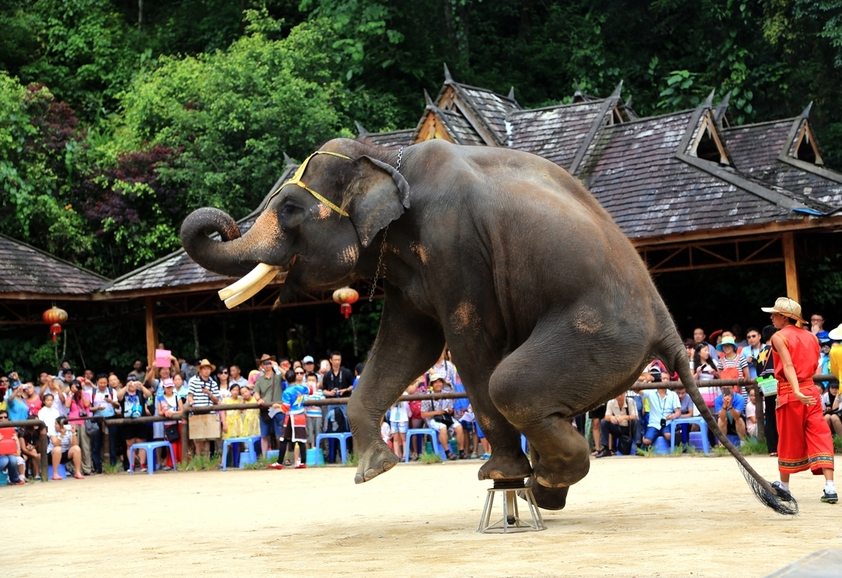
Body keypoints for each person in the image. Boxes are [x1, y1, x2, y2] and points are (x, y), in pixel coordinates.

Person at [761, 297, 836, 504]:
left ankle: (784, 486)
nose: (772, 317)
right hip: (811, 390)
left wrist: (795, 390)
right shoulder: (811, 337)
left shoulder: (778, 337)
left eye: (775, 314)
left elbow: (788, 366)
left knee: (787, 437)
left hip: (790, 392)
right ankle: (830, 487)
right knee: (820, 434)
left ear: (784, 317)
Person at [420, 372, 464, 460]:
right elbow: (423, 414)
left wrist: (450, 410)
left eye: (440, 382)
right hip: (433, 419)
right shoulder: (427, 396)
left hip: (446, 417)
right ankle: (447, 452)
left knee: (459, 427)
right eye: (435, 382)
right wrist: (437, 412)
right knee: (443, 427)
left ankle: (461, 451)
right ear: (432, 384)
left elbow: (450, 408)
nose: (438, 384)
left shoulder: (446, 393)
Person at [269, 381, 310, 469]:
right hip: (301, 415)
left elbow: (285, 408)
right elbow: (310, 390)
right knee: (301, 440)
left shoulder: (286, 392)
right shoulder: (302, 388)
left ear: (286, 380)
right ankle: (303, 462)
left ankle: (279, 462)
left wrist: (277, 406)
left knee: (284, 439)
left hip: (291, 417)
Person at [187, 359, 221, 459]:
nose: (206, 371)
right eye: (204, 369)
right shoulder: (193, 380)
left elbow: (216, 400)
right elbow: (190, 395)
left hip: (209, 412)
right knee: (198, 439)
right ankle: (199, 459)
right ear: (200, 370)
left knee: (208, 439)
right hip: (197, 412)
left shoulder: (213, 383)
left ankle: (206, 460)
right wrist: (191, 401)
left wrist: (209, 393)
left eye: (208, 369)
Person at [253, 354, 284, 458]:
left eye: (269, 362)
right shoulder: (259, 380)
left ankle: (283, 457)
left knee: (280, 435)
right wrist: (259, 399)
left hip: (278, 409)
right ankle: (264, 458)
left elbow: (287, 375)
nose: (267, 365)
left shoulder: (278, 376)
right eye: (264, 363)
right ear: (261, 365)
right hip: (265, 409)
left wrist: (277, 366)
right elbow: (256, 392)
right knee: (264, 435)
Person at [641, 376, 680, 448]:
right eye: (664, 378)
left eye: (667, 379)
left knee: (668, 435)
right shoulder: (651, 392)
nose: (665, 380)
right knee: (647, 441)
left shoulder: (673, 394)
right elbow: (637, 391)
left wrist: (673, 416)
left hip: (667, 422)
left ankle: (677, 447)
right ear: (659, 380)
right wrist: (646, 380)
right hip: (654, 423)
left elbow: (678, 412)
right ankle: (644, 441)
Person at [119, 377, 149, 471]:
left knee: (142, 443)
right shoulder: (124, 393)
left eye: (134, 383)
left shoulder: (140, 393)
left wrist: (141, 386)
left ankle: (142, 464)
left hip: (140, 420)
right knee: (129, 444)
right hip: (128, 421)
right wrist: (126, 386)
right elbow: (118, 396)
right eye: (130, 383)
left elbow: (148, 395)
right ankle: (131, 465)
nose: (132, 385)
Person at [595, 392, 638, 457]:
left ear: (625, 393)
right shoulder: (611, 402)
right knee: (604, 423)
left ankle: (639, 447)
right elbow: (606, 417)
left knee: (636, 422)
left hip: (629, 428)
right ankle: (606, 449)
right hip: (618, 428)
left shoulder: (630, 401)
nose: (619, 397)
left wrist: (624, 417)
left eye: (621, 394)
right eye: (617, 395)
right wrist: (611, 417)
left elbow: (635, 416)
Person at [91, 373, 120, 469]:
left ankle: (112, 464)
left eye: (104, 382)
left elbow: (117, 405)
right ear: (97, 382)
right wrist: (97, 408)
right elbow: (89, 407)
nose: (103, 384)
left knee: (113, 442)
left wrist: (111, 401)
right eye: (101, 383)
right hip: (97, 418)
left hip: (111, 417)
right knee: (96, 443)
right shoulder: (92, 392)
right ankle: (97, 466)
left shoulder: (112, 391)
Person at [159, 378, 184, 469]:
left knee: (180, 442)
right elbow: (159, 412)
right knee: (172, 443)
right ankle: (171, 463)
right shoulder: (160, 398)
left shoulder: (177, 397)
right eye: (167, 387)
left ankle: (181, 462)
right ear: (164, 388)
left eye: (170, 387)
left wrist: (173, 413)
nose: (169, 389)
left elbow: (182, 410)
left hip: (178, 422)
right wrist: (165, 413)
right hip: (168, 423)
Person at [0, 410, 25, 485]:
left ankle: (15, 480)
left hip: (9, 454)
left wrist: (16, 441)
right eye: (0, 417)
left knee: (13, 459)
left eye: (5, 417)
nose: (3, 419)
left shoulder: (11, 430)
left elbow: (18, 453)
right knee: (4, 460)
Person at [388, 385, 411, 458]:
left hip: (402, 418)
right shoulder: (390, 394)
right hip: (393, 418)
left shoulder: (405, 394)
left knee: (403, 438)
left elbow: (407, 402)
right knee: (395, 438)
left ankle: (405, 455)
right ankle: (396, 455)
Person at [304, 372, 324, 449]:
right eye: (309, 380)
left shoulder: (319, 392)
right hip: (308, 415)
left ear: (317, 382)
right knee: (310, 431)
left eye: (313, 380)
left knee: (318, 430)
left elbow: (323, 402)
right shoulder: (305, 393)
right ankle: (311, 448)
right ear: (306, 382)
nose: (311, 382)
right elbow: (303, 402)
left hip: (318, 415)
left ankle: (318, 447)